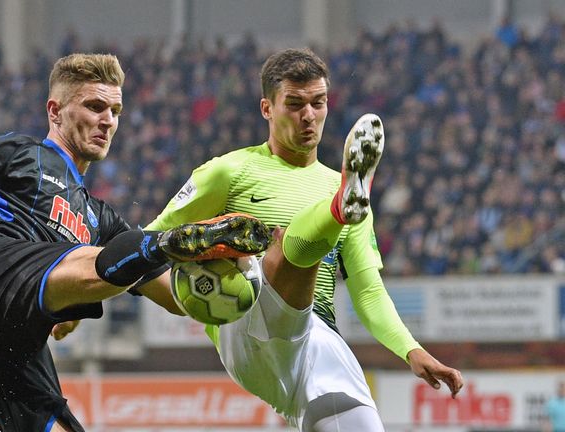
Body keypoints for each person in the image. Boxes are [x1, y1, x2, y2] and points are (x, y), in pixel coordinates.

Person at [0, 53, 271, 432]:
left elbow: (174, 299)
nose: (108, 121)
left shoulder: (100, 217)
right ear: (55, 110)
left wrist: (230, 284)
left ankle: (172, 247)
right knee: (113, 252)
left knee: (118, 257)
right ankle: (170, 242)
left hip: (9, 351)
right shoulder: (17, 152)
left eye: (116, 111)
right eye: (95, 106)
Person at [141, 48, 464, 430]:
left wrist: (411, 349)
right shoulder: (228, 172)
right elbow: (145, 250)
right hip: (243, 323)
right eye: (294, 104)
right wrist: (178, 300)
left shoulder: (340, 185)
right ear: (267, 108)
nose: (308, 115)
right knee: (288, 250)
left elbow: (368, 290)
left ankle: (334, 215)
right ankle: (334, 214)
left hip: (315, 338)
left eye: (318, 103)